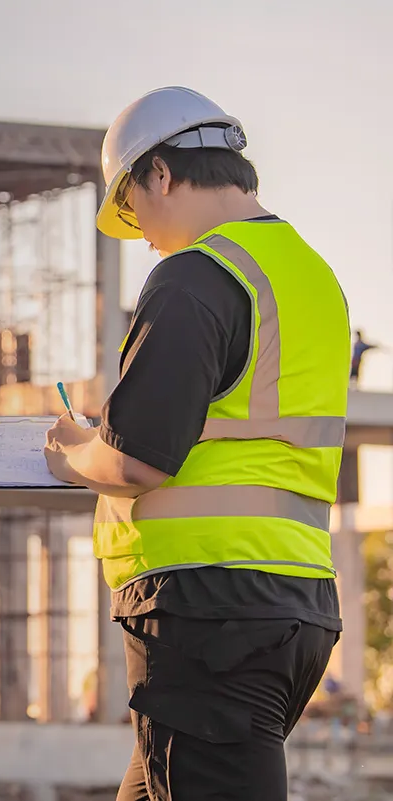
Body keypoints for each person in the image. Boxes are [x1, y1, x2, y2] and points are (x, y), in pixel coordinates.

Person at [43, 86, 349, 801]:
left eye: (130, 206)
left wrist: (71, 450)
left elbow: (133, 459)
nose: (140, 231)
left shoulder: (193, 277)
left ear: (160, 173)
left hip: (208, 612)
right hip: (292, 602)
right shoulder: (311, 276)